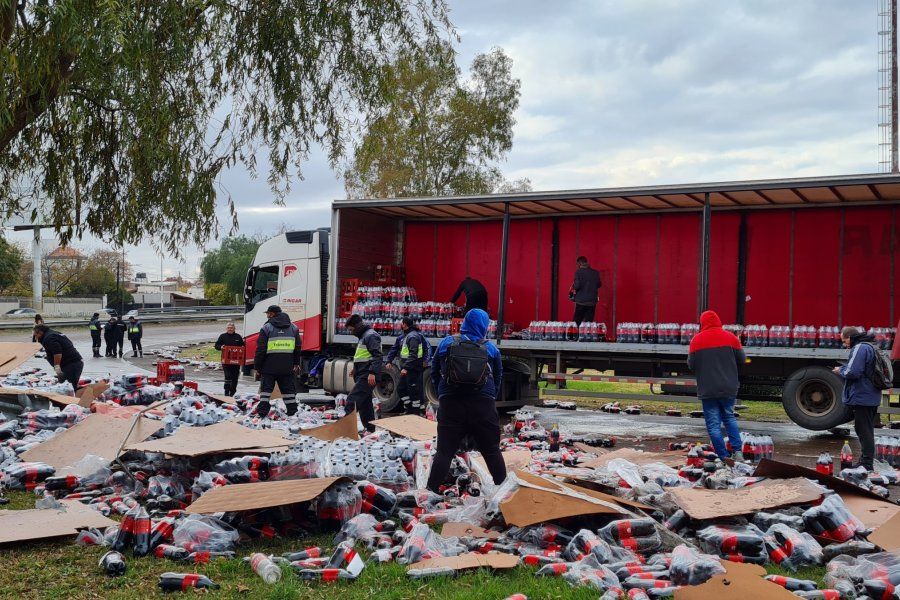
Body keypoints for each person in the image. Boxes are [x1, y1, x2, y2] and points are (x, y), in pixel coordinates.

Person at [426, 308, 506, 493]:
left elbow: (434, 368)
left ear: (465, 323)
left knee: (445, 451)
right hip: (482, 406)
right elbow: (498, 374)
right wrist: (490, 396)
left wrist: (442, 392)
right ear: (484, 325)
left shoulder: (447, 343)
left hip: (451, 403)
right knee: (491, 450)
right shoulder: (491, 348)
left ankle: (429, 492)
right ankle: (503, 491)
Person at [687, 310, 745, 461]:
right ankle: (738, 452)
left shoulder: (696, 340)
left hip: (708, 389)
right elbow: (742, 359)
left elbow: (691, 365)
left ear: (702, 323)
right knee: (729, 418)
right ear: (718, 321)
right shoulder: (731, 338)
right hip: (729, 387)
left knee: (713, 424)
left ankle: (724, 457)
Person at [833, 326, 882, 471]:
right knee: (864, 429)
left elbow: (853, 372)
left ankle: (866, 464)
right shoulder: (869, 346)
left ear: (850, 337)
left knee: (864, 430)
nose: (844, 344)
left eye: (844, 340)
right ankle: (866, 461)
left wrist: (839, 370)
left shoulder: (859, 348)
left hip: (863, 396)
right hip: (869, 395)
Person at [253, 305, 301, 417]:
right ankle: (293, 414)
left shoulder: (267, 328)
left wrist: (257, 367)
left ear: (272, 314)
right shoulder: (294, 328)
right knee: (288, 393)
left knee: (265, 393)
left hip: (268, 367)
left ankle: (262, 415)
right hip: (287, 367)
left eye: (268, 313)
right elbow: (297, 347)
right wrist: (296, 363)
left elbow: (261, 349)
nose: (267, 315)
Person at [346, 313, 383, 432]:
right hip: (363, 373)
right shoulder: (364, 336)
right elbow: (364, 356)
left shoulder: (370, 336)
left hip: (367, 375)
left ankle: (345, 429)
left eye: (351, 329)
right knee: (365, 405)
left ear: (357, 326)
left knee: (352, 401)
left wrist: (372, 373)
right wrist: (355, 368)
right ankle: (370, 430)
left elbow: (377, 356)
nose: (351, 332)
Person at [385, 317, 429, 414]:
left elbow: (421, 351)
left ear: (404, 324)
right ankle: (409, 408)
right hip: (406, 368)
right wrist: (388, 361)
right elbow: (394, 349)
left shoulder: (414, 336)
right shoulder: (402, 337)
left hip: (413, 368)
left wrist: (425, 360)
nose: (400, 325)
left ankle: (416, 411)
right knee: (402, 389)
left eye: (401, 323)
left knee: (414, 390)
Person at [33, 324, 83, 388]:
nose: (35, 337)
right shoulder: (55, 333)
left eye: (36, 335)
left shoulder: (49, 337)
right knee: (68, 385)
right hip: (73, 363)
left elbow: (57, 352)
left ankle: (84, 395)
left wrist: (57, 366)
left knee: (66, 387)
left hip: (71, 365)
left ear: (40, 332)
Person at [215, 322, 245, 396]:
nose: (230, 329)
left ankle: (232, 393)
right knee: (228, 376)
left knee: (235, 377)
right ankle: (226, 392)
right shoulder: (222, 336)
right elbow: (216, 345)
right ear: (226, 328)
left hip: (236, 361)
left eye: (231, 328)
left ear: (234, 328)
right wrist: (221, 347)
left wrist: (243, 347)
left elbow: (243, 346)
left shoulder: (238, 337)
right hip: (226, 361)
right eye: (228, 327)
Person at [569, 256, 601, 325]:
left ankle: (576, 335)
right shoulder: (595, 273)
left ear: (580, 263)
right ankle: (587, 335)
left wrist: (573, 287)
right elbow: (599, 285)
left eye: (577, 264)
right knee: (588, 323)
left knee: (576, 323)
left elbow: (577, 286)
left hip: (581, 302)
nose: (577, 266)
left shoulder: (579, 272)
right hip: (592, 302)